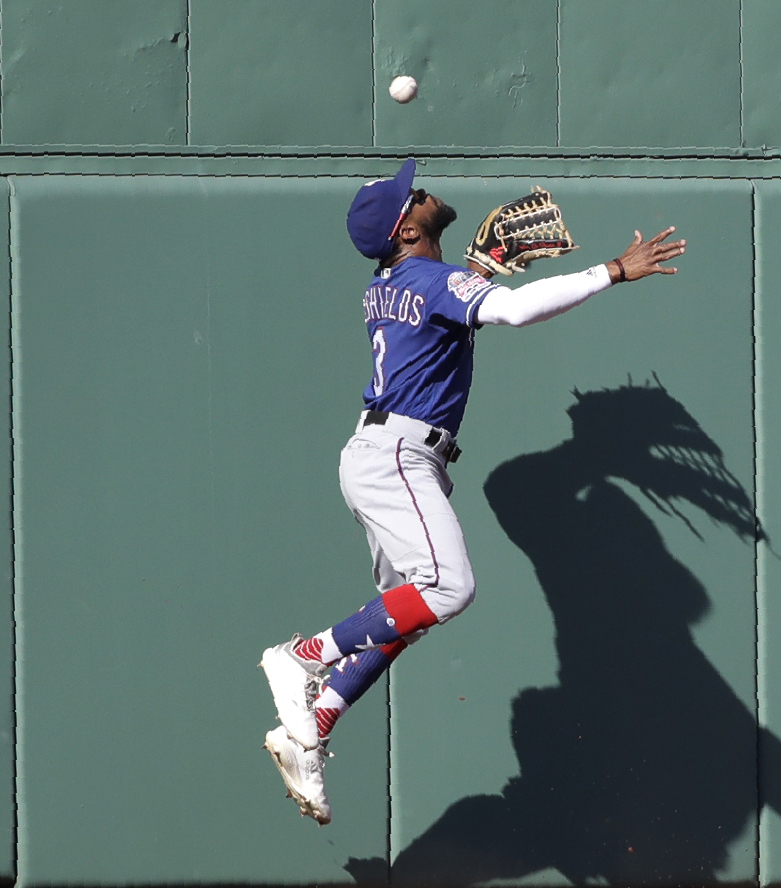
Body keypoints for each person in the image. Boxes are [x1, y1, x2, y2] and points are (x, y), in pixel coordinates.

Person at [259, 158, 687, 825]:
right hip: (397, 453)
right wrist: (610, 271)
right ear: (404, 228)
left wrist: (475, 270)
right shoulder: (428, 277)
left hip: (386, 454)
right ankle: (302, 656)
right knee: (448, 589)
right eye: (414, 196)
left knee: (405, 609)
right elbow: (511, 312)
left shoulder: (394, 278)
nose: (424, 191)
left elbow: (436, 314)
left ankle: (312, 724)